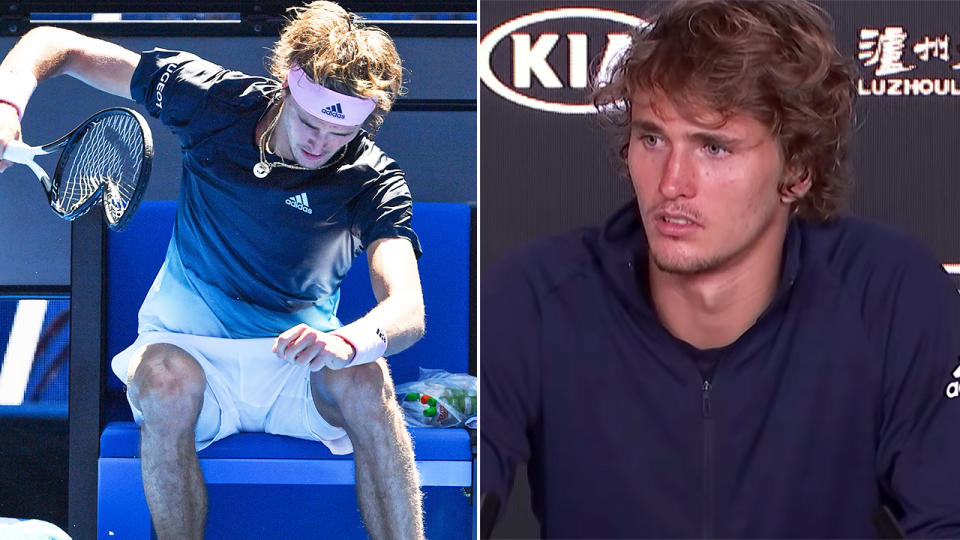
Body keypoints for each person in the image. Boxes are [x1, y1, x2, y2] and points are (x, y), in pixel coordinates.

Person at [480, 0, 960, 537]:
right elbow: (448, 503)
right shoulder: (537, 297)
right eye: (652, 138)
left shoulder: (889, 291)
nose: (671, 183)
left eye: (713, 147)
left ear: (797, 170)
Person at [0, 3, 426, 539]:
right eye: (310, 122)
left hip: (297, 364)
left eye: (339, 134)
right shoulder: (214, 101)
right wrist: (7, 104)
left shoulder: (372, 179)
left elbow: (407, 308)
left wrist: (346, 342)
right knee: (164, 381)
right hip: (187, 349)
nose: (321, 144)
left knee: (367, 376)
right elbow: (54, 45)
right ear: (286, 86)